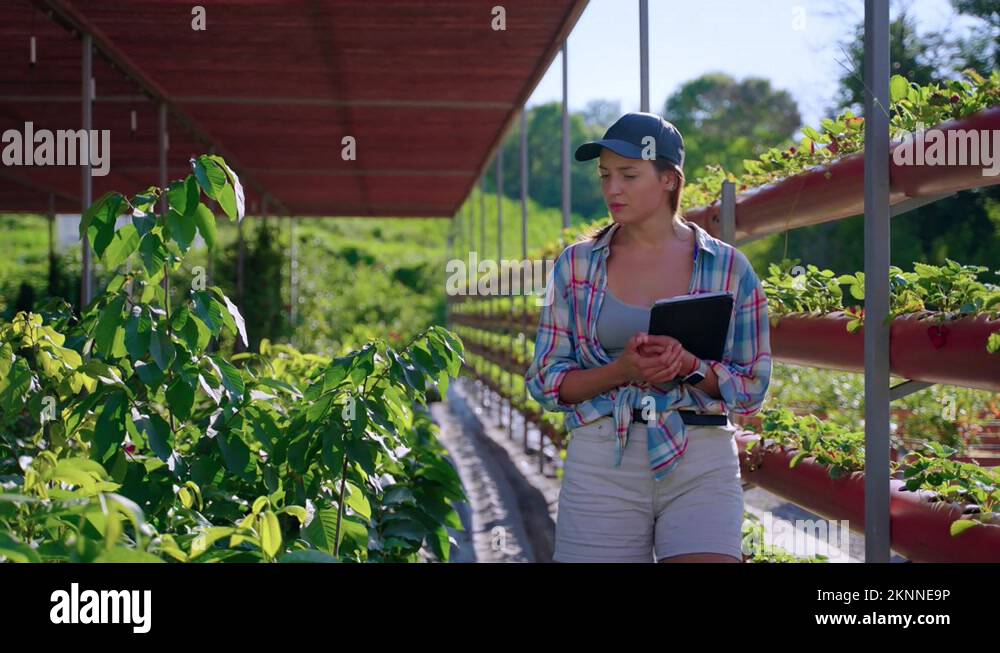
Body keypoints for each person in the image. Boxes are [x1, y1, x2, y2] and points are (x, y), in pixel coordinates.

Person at [524, 112, 772, 563]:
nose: (611, 188)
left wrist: (690, 368)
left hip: (700, 457)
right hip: (603, 459)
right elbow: (546, 380)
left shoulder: (729, 268)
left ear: (669, 180)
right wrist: (621, 371)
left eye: (628, 175)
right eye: (605, 176)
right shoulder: (577, 265)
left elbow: (752, 386)